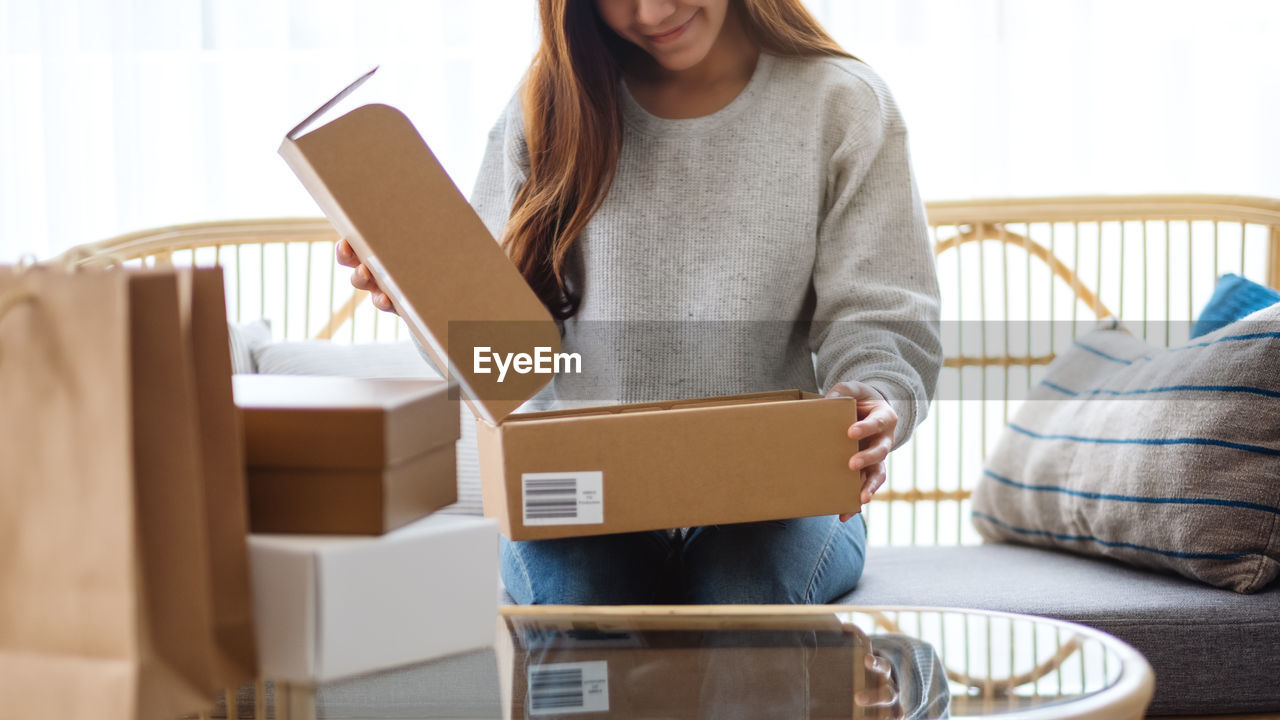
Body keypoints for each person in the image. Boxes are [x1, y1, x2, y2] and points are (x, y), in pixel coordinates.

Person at [337, 0, 942, 605]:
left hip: (775, 488)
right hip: (578, 481)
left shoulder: (843, 103)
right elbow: (505, 361)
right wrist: (417, 297)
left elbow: (881, 316)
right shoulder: (550, 104)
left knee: (743, 596)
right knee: (583, 598)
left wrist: (875, 395)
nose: (652, 12)